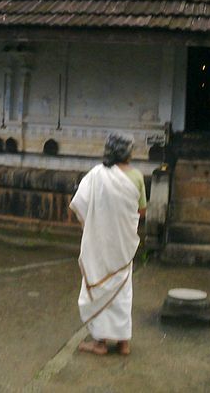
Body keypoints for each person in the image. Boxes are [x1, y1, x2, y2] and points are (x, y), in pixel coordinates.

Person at [69, 131, 147, 356]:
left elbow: (80, 205)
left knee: (100, 287)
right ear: (127, 152)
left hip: (101, 244)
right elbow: (141, 211)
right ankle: (123, 343)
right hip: (123, 244)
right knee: (123, 291)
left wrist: (96, 225)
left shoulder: (97, 174)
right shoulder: (137, 177)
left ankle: (101, 343)